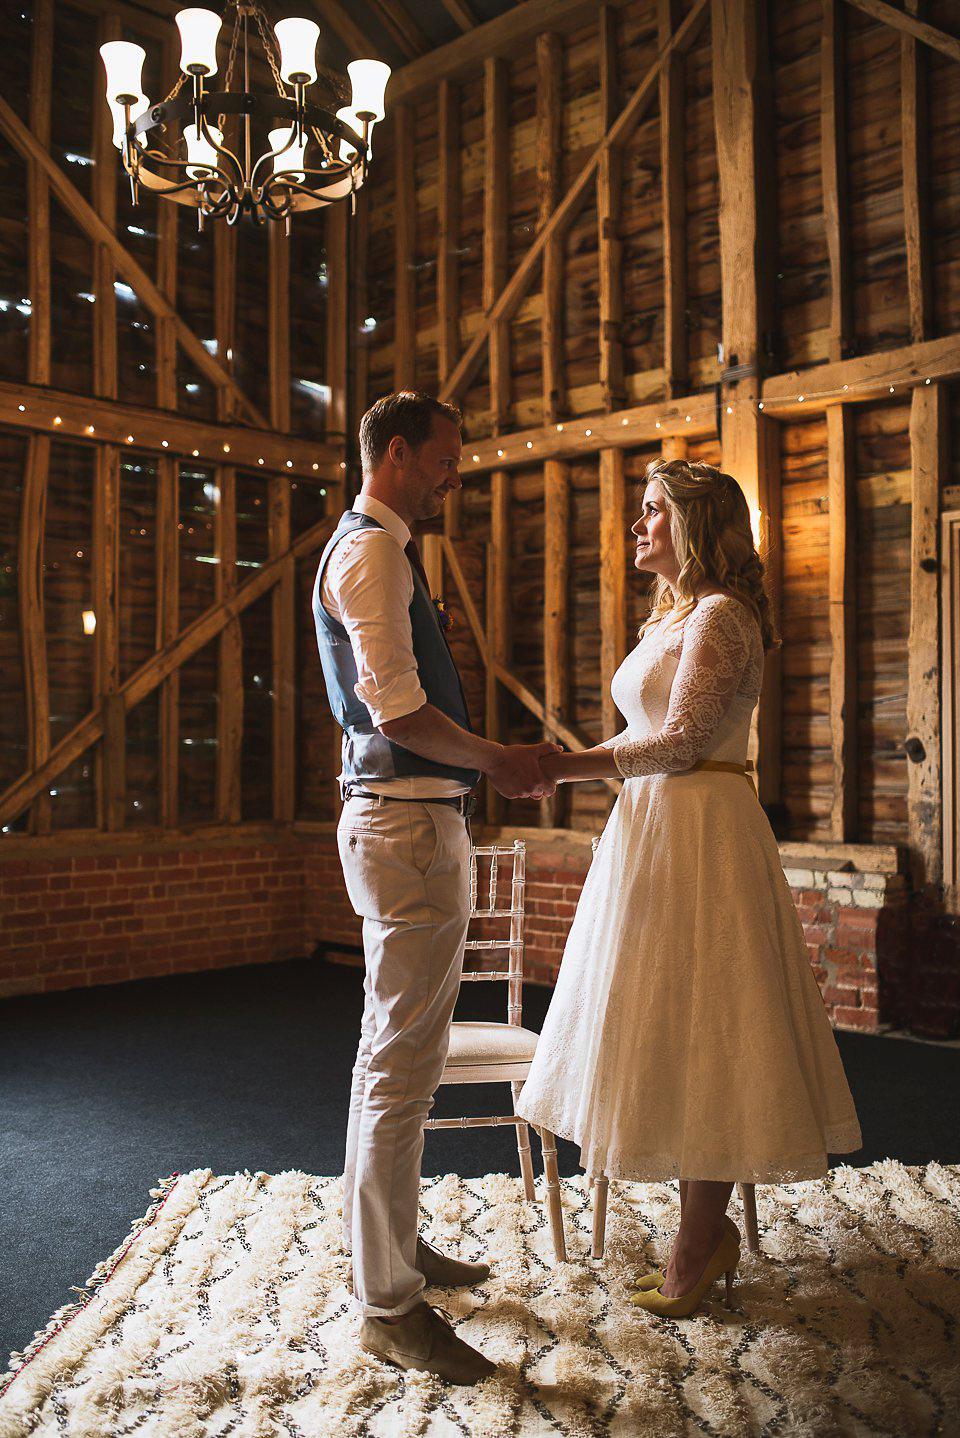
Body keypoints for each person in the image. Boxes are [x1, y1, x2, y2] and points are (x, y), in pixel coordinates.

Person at [516, 458, 862, 1318]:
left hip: (701, 830)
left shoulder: (721, 616)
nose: (638, 527)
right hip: (649, 831)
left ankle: (698, 1241)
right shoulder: (674, 616)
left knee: (710, 1019)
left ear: (696, 525)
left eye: (652, 512)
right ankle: (701, 1233)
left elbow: (681, 741)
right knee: (659, 1019)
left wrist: (564, 767)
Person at [312, 391, 560, 1384]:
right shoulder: (371, 552)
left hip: (414, 820)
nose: (458, 473)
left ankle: (397, 1255)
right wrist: (499, 757)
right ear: (400, 452)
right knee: (397, 1068)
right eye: (448, 458)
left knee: (401, 1067)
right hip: (404, 821)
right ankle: (386, 1306)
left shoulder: (381, 546)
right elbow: (402, 712)